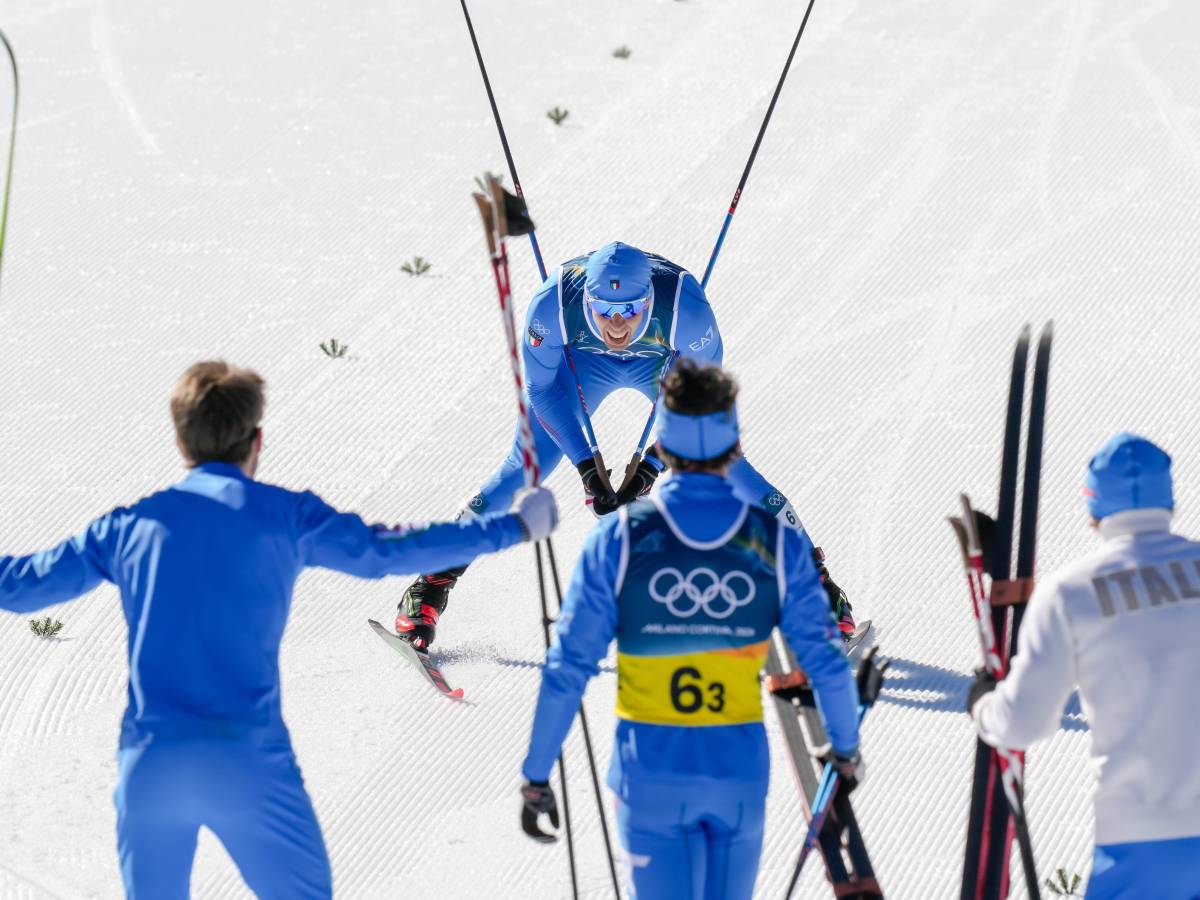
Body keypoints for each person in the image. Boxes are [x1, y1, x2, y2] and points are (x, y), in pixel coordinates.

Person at [0, 361, 558, 900]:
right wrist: (510, 527)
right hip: (247, 758)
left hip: (153, 763)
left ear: (181, 441)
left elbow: (22, 585)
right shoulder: (284, 516)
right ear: (256, 441)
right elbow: (389, 550)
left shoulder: (126, 527)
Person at [397, 241, 855, 650]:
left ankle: (819, 589)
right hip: (580, 365)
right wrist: (585, 466)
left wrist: (654, 463)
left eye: (632, 310)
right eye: (604, 311)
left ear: (650, 300)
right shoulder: (551, 306)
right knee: (523, 468)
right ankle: (430, 585)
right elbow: (542, 392)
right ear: (588, 301)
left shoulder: (687, 312)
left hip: (662, 364)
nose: (617, 324)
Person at [516, 359, 862, 900]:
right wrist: (845, 749)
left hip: (649, 776)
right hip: (737, 778)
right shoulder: (774, 542)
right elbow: (823, 660)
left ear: (664, 445)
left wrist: (537, 775)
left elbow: (567, 668)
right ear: (733, 441)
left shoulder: (620, 541)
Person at [969, 433, 1200, 899]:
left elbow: (1023, 723)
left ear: (1093, 506)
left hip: (1141, 838)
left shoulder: (1072, 593)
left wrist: (982, 706)